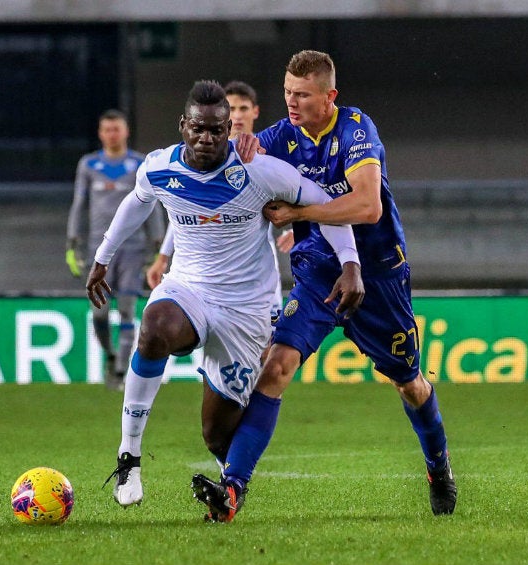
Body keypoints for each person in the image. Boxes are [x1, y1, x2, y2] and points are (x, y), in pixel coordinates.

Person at [191, 50, 458, 521]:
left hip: (378, 274)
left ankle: (438, 466)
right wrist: (235, 146)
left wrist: (298, 213)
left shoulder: (356, 130)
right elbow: (225, 166)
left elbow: (367, 207)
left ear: (330, 96)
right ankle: (232, 490)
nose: (291, 103)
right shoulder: (280, 137)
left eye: (303, 95)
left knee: (410, 384)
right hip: (318, 271)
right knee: (276, 366)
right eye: (287, 93)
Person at [87, 81, 364, 514]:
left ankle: (232, 485)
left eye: (218, 130)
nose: (207, 138)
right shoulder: (159, 167)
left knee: (217, 434)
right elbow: (137, 203)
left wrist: (351, 263)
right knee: (154, 327)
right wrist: (103, 257)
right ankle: (129, 456)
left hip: (245, 310)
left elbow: (322, 203)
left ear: (229, 129)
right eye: (199, 128)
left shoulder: (260, 171)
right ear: (184, 126)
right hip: (189, 289)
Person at [146, 80, 284, 327]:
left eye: (244, 108)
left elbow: (301, 193)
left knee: (270, 340)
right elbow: (184, 211)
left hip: (254, 265)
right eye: (233, 108)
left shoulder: (268, 153)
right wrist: (164, 256)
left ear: (255, 111)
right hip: (205, 270)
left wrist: (300, 224)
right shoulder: (201, 156)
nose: (239, 115)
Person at [67, 110, 163, 390]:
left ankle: (121, 372)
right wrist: (73, 242)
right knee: (99, 313)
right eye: (107, 129)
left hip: (132, 248)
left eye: (116, 129)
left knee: (126, 309)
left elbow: (152, 204)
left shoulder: (139, 164)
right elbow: (78, 204)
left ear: (126, 131)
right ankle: (110, 355)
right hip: (99, 249)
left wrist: (157, 246)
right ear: (100, 133)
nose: (112, 134)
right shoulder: (88, 165)